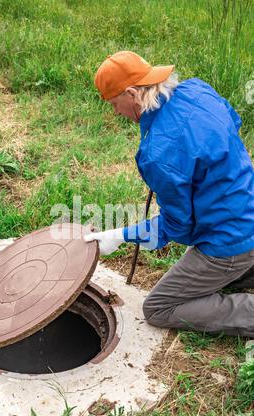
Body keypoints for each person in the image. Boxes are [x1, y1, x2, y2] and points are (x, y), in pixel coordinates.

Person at [84, 51, 254, 338]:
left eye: (114, 103)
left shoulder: (159, 154)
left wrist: (121, 235)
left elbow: (178, 226)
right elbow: (233, 122)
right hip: (246, 206)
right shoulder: (196, 90)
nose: (115, 112)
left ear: (132, 93)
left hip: (229, 240)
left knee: (159, 308)